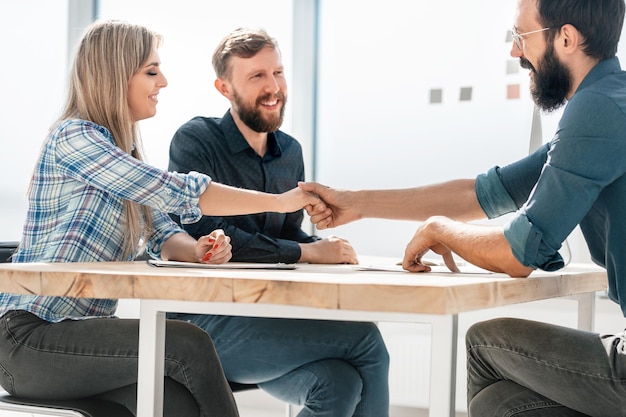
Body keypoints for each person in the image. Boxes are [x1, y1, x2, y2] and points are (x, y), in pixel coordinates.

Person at [301, 0, 626, 415]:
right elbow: (485, 193)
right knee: (500, 403)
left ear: (566, 38)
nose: (514, 52)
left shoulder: (596, 110)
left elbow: (517, 253)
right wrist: (357, 204)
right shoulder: (611, 101)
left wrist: (440, 229)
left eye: (520, 37)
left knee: (487, 343)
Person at [0, 20, 324, 417]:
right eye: (151, 71)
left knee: (177, 403)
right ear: (116, 75)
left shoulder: (124, 155)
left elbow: (161, 232)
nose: (164, 81)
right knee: (187, 343)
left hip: (71, 338)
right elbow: (177, 190)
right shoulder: (75, 139)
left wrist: (199, 249)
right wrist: (278, 201)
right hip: (28, 339)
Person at [166, 27, 390, 417]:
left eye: (278, 73)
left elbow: (284, 237)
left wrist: (323, 245)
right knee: (366, 341)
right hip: (201, 324)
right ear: (224, 88)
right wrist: (309, 250)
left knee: (338, 383)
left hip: (266, 316)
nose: (274, 87)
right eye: (257, 76)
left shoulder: (291, 151)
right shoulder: (196, 140)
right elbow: (211, 236)